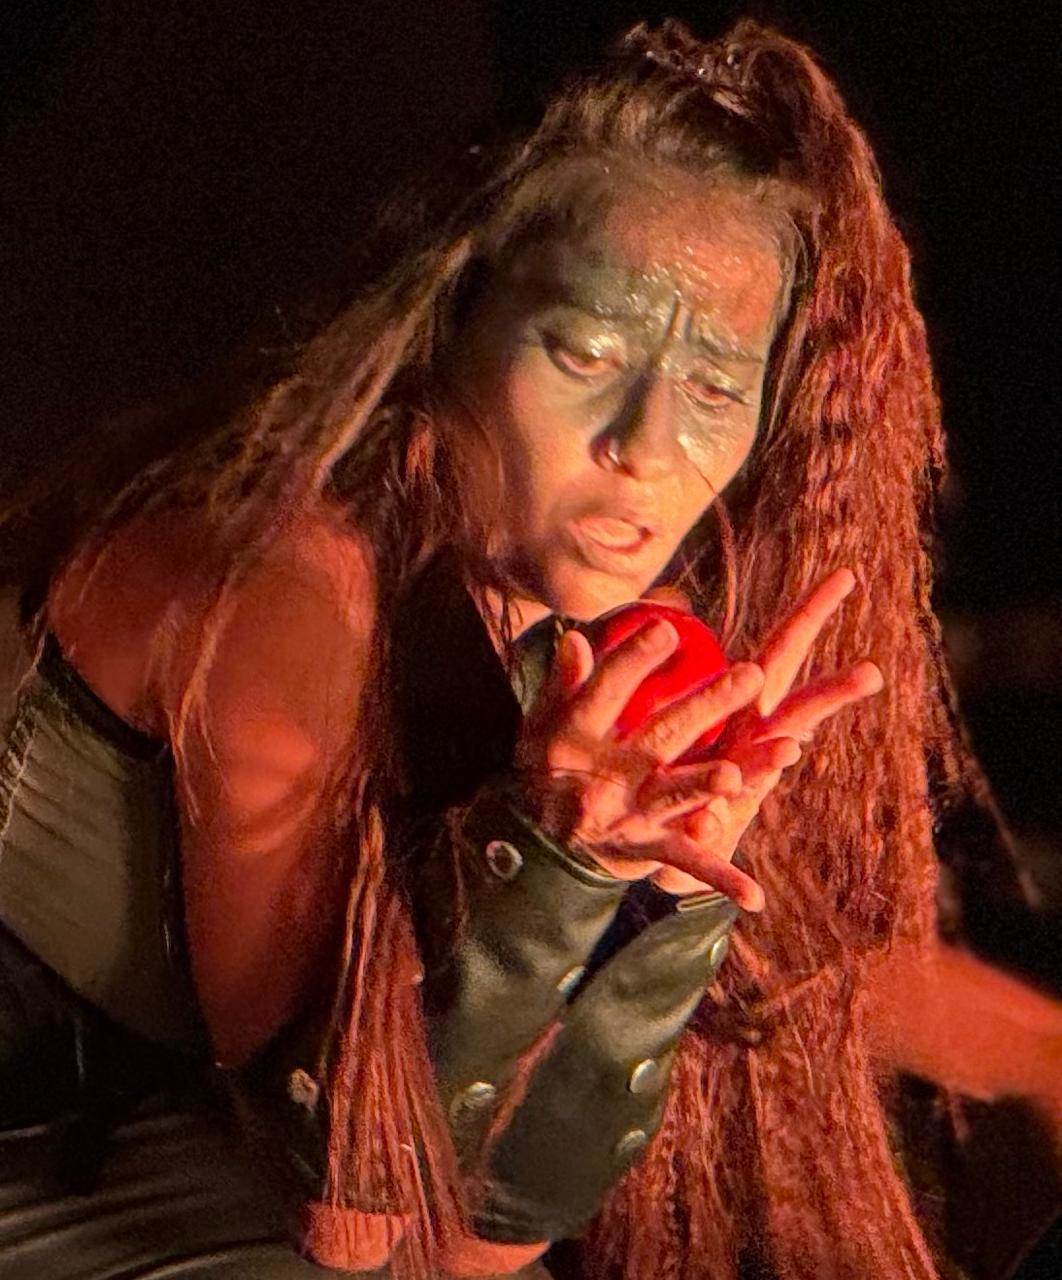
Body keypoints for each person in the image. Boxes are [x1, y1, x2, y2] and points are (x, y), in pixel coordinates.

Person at [0, 16, 1059, 1280]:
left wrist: (656, 909)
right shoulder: (290, 578)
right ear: (455, 316)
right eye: (583, 353)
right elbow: (352, 1219)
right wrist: (560, 877)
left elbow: (479, 1239)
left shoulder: (574, 604)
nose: (646, 447)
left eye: (714, 390)